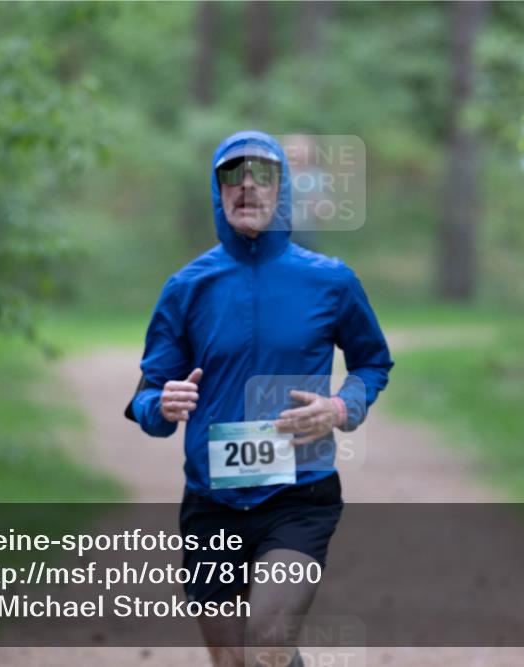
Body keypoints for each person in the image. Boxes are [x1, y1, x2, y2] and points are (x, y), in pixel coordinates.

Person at [125, 130, 393, 667]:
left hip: (300, 496)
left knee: (268, 640)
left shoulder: (331, 281)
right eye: (233, 175)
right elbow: (147, 399)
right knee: (233, 662)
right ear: (217, 191)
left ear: (282, 188)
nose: (247, 186)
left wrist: (342, 407)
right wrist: (163, 405)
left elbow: (372, 362)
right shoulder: (187, 287)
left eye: (262, 174)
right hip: (212, 504)